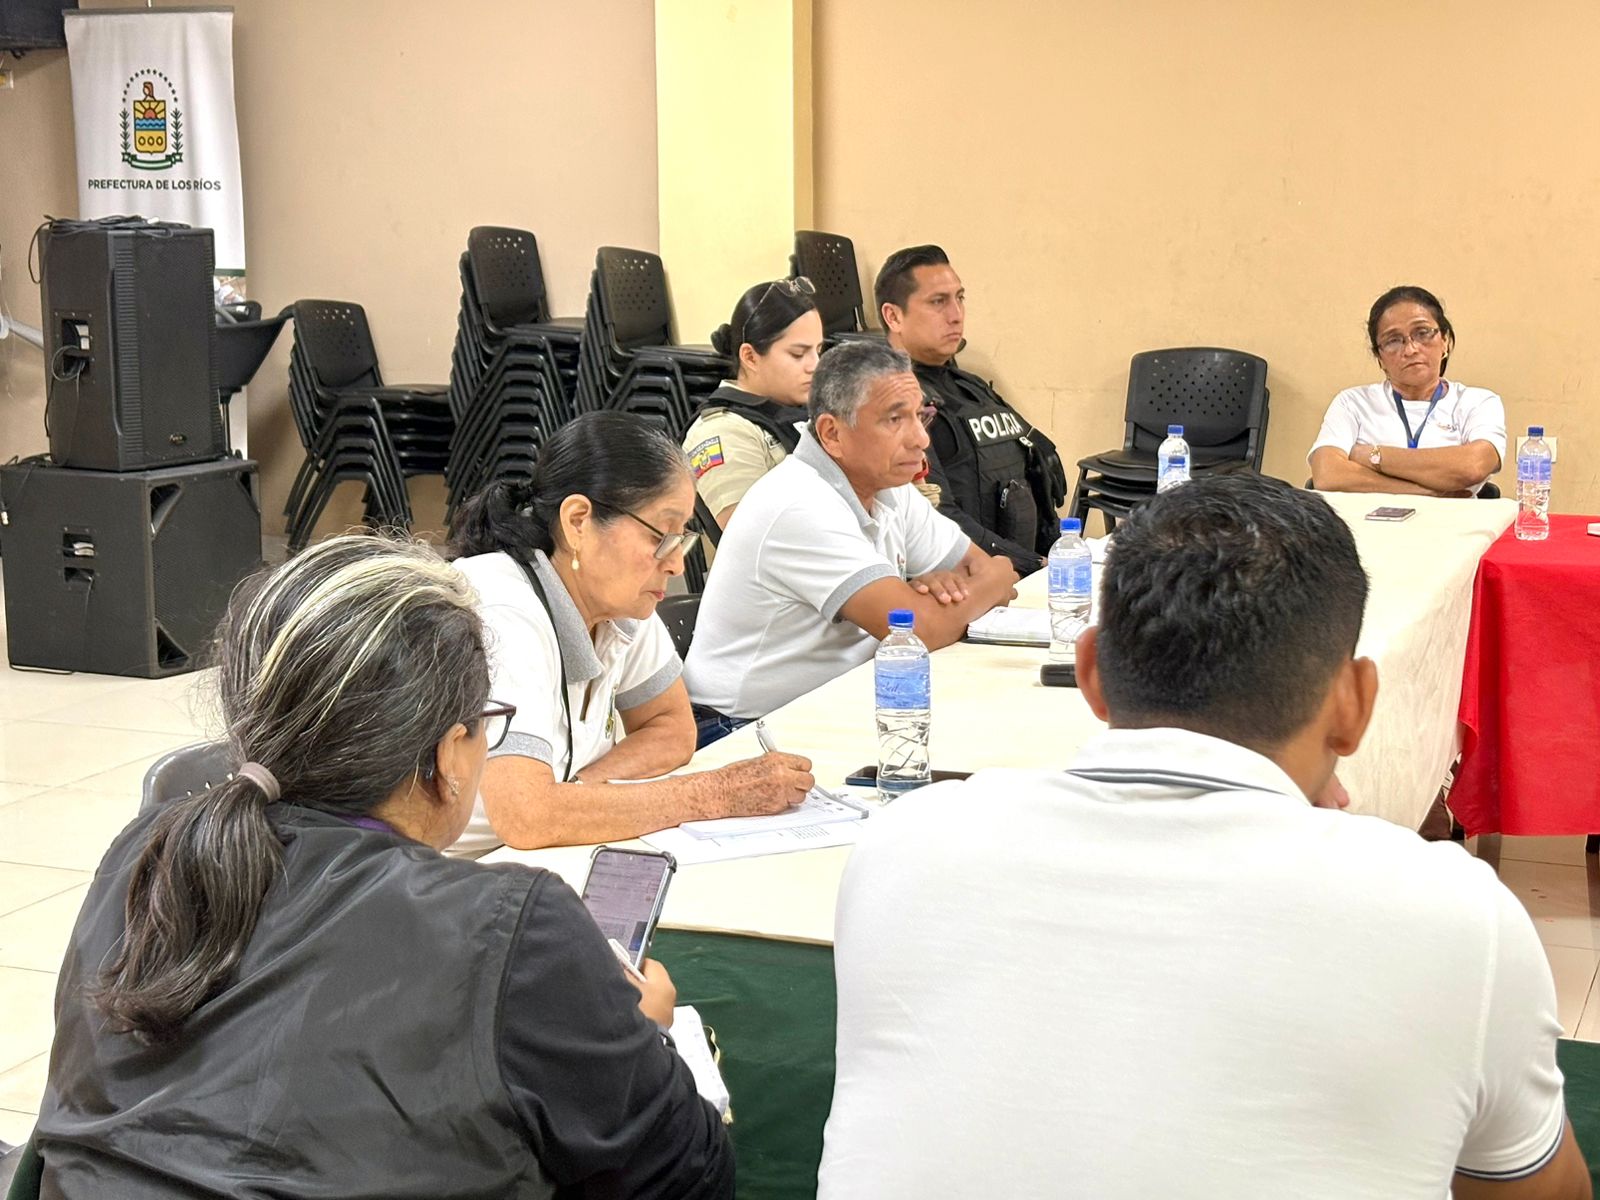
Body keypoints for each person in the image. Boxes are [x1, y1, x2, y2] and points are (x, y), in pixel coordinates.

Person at [818, 473, 1588, 1200]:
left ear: (1090, 672)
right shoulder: (1455, 912)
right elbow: (1538, 1190)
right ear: (1356, 705)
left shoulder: (904, 846)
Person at [35, 535, 735, 1198]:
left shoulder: (144, 851)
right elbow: (687, 1177)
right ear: (448, 753)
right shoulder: (510, 929)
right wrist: (649, 1035)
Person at [449, 411, 814, 852]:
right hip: (441, 871)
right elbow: (526, 818)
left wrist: (580, 793)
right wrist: (717, 794)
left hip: (531, 856)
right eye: (661, 537)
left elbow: (673, 729)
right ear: (578, 521)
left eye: (681, 538)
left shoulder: (616, 599)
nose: (675, 564)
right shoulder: (502, 610)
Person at [686, 340, 1020, 725]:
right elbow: (921, 629)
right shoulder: (799, 504)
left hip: (834, 705)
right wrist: (995, 579)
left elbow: (969, 570)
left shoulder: (889, 485)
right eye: (894, 420)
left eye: (920, 416)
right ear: (832, 434)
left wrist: (953, 593)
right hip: (742, 729)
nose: (921, 439)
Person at [875, 244, 1067, 574]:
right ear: (893, 316)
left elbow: (1039, 474)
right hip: (963, 580)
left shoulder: (972, 386)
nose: (956, 315)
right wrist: (1034, 566)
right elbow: (936, 517)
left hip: (1019, 574)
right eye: (938, 302)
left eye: (960, 298)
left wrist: (1062, 555)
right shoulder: (891, 401)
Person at [1310, 285, 1506, 494]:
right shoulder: (1352, 402)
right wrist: (1427, 493)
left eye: (1422, 333)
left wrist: (1372, 456)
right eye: (1393, 340)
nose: (1411, 349)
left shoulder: (1478, 402)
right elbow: (1327, 475)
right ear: (1380, 358)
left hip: (1457, 516)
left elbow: (1473, 466)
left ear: (1445, 341)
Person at [682, 277, 823, 530]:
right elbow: (754, 537)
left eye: (818, 350)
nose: (815, 365)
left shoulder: (803, 407)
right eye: (798, 354)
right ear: (750, 357)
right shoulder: (721, 431)